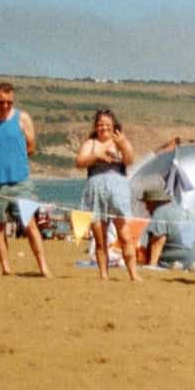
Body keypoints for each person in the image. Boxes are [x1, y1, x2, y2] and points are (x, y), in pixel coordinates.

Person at [0, 81, 50, 277]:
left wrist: (15, 159)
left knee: (30, 224)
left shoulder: (22, 118)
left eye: (9, 102)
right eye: (1, 102)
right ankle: (6, 268)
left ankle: (43, 266)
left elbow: (31, 147)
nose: (5, 106)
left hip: (20, 181)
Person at [75, 108, 140, 283]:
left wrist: (124, 145)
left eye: (107, 124)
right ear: (96, 126)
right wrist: (96, 155)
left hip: (118, 190)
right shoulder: (91, 143)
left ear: (114, 126)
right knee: (100, 237)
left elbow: (130, 160)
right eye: (100, 124)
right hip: (96, 190)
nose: (104, 127)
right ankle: (103, 274)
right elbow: (79, 162)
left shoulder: (120, 140)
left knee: (125, 235)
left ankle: (133, 274)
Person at [137, 182, 195, 269]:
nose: (146, 208)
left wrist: (151, 266)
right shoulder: (183, 210)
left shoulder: (159, 212)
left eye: (147, 203)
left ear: (154, 203)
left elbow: (158, 241)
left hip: (176, 262)